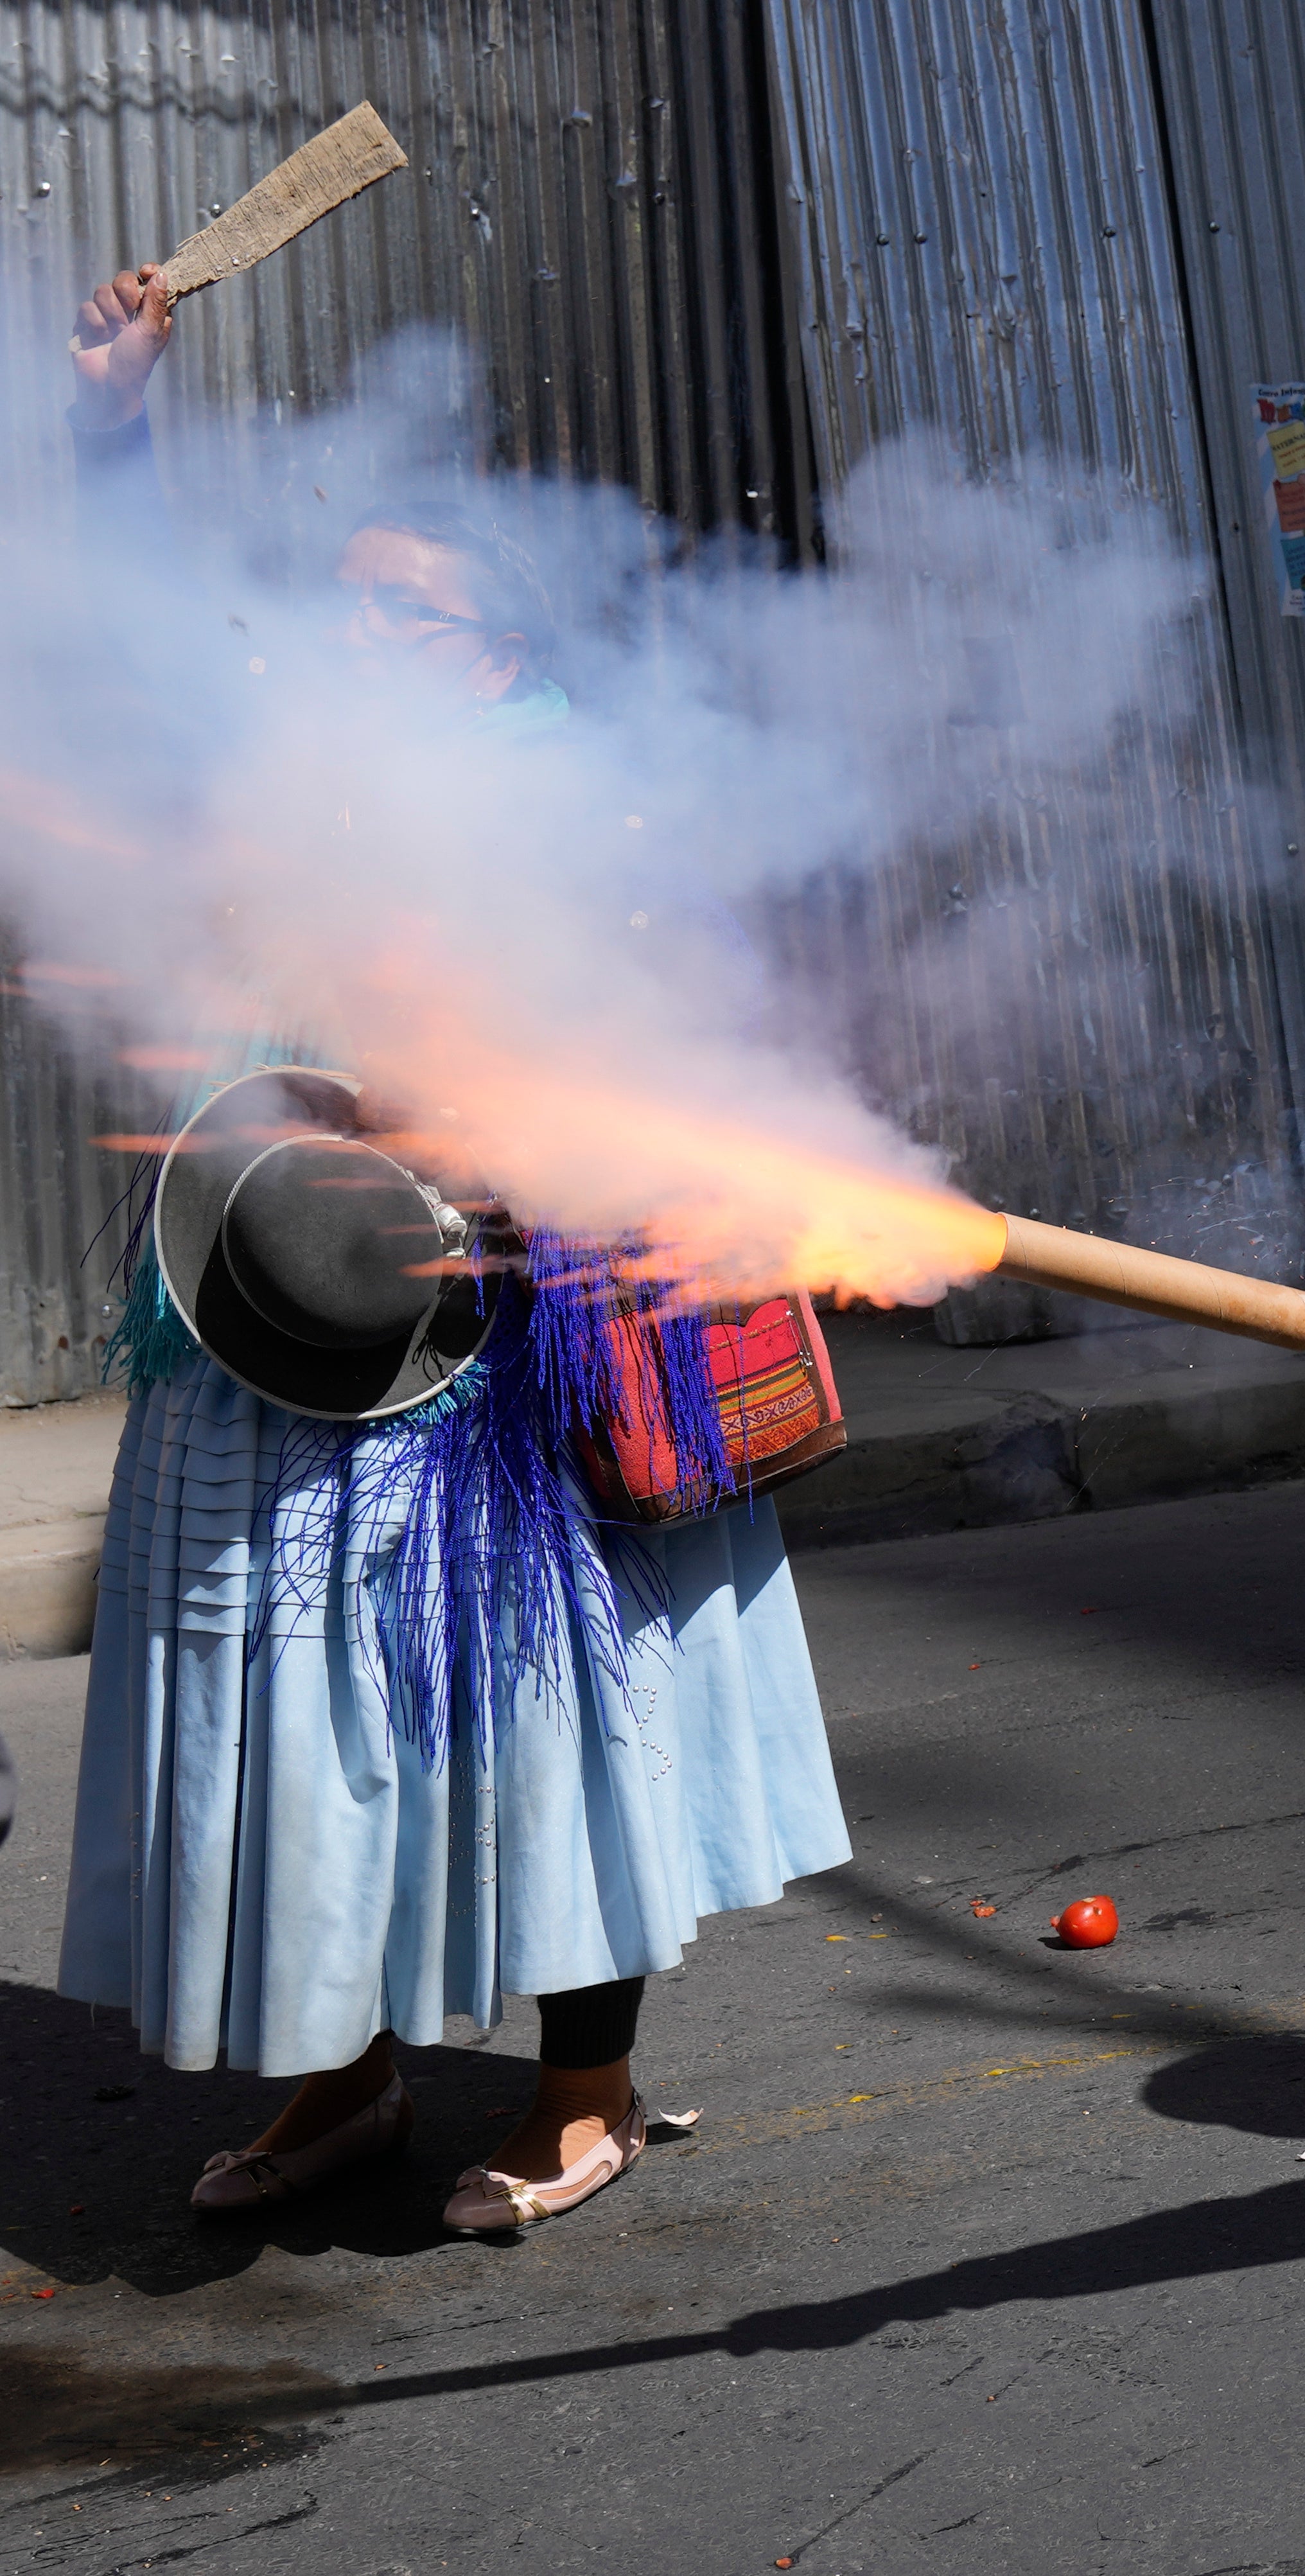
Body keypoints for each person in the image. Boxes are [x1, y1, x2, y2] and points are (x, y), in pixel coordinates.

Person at [52, 265, 850, 2234]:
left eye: (396, 612)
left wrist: (461, 1125)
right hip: (266, 1320)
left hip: (501, 1356)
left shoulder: (582, 786)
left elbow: (665, 1051)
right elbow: (129, 657)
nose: (344, 638)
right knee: (284, 1733)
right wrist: (110, 426)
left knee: (532, 1725)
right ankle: (342, 2072)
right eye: (340, 606)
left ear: (501, 645)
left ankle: (583, 2087)